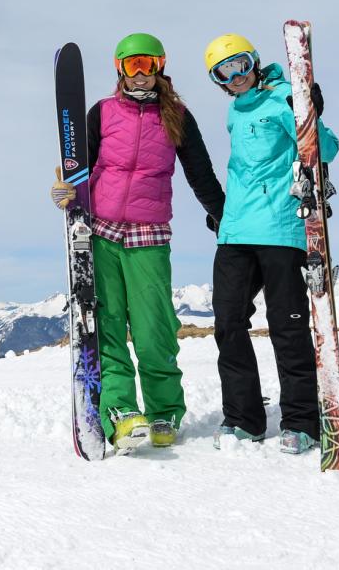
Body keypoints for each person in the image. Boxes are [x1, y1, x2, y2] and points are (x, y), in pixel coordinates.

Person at [52, 33, 226, 453]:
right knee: (108, 325)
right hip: (102, 231)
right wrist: (64, 190)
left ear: (161, 66)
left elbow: (199, 172)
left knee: (154, 328)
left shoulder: (177, 116)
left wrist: (224, 215)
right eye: (133, 65)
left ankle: (165, 410)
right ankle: (121, 412)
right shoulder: (102, 113)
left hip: (149, 234)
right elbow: (79, 167)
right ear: (119, 68)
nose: (142, 74)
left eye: (149, 64)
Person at [203, 34, 336, 455]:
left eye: (240, 65)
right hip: (235, 232)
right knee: (228, 323)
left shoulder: (282, 98)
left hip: (280, 229)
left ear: (254, 62)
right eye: (224, 72)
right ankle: (244, 419)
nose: (236, 76)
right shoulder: (232, 112)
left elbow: (326, 149)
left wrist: (307, 112)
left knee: (287, 325)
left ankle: (301, 421)